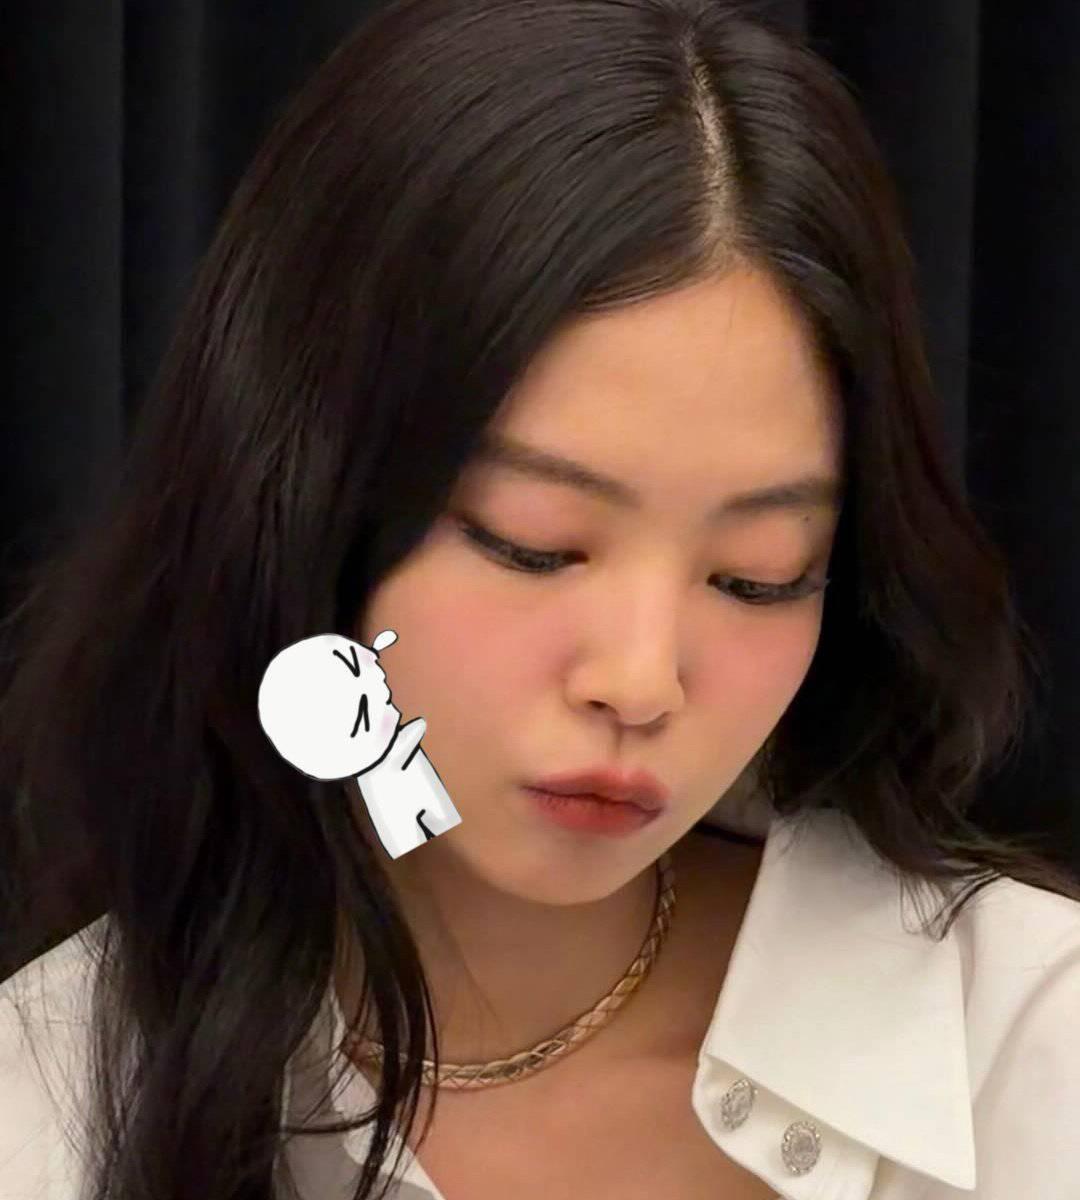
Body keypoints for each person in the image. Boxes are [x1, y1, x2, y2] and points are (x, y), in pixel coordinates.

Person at [2, 1, 1079, 1197]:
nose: (639, 680)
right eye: (534, 545)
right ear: (303, 500)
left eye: (757, 574)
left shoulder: (1029, 1049)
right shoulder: (44, 1109)